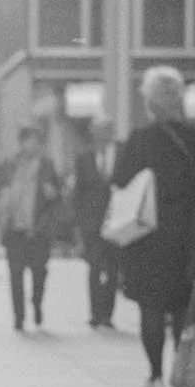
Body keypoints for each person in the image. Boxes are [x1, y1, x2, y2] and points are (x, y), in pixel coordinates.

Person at [112, 66, 195, 387]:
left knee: (150, 308)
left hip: (147, 236)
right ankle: (179, 366)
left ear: (151, 102)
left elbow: (119, 180)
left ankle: (155, 375)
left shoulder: (140, 140)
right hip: (186, 236)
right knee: (181, 307)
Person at [0, 123, 65, 330]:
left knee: (39, 271)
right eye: (30, 141)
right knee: (15, 273)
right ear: (22, 142)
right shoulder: (8, 165)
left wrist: (51, 221)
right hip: (14, 228)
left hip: (39, 230)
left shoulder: (47, 167)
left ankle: (37, 302)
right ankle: (19, 316)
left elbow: (57, 198)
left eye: (37, 142)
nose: (34, 146)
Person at [71, 118, 124, 328]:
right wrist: (79, 221)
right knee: (94, 268)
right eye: (99, 131)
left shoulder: (123, 153)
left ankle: (108, 314)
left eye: (107, 131)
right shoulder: (84, 157)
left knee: (112, 269)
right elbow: (79, 191)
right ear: (93, 133)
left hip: (116, 220)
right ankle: (95, 312)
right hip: (92, 222)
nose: (103, 135)